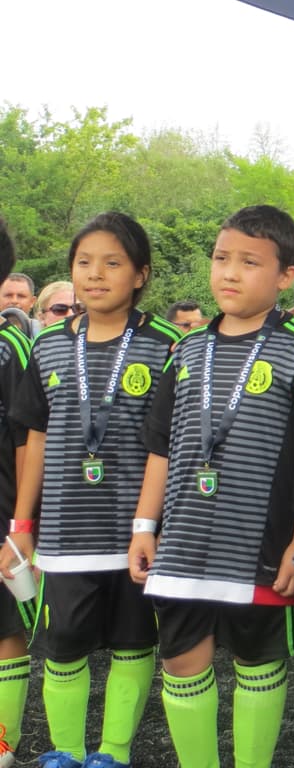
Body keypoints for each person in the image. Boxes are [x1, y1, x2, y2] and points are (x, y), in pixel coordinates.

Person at [128, 205, 294, 768]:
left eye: (249, 262)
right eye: (221, 259)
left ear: (287, 276)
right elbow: (161, 446)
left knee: (258, 660)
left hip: (261, 543)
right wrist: (145, 527)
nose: (230, 274)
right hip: (186, 539)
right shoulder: (186, 350)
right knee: (182, 660)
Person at [3, 213, 180, 768]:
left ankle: (113, 753)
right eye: (84, 263)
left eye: (112, 263)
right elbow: (32, 438)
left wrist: (152, 524)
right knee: (62, 649)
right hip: (62, 531)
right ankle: (67, 753)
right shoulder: (48, 344)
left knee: (134, 644)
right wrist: (23, 527)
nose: (95, 274)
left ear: (141, 274)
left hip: (137, 532)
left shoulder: (169, 344)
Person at [0, 217, 30, 768]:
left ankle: (2, 742)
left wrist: (22, 526)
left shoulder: (11, 349)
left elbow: (29, 442)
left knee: (4, 627)